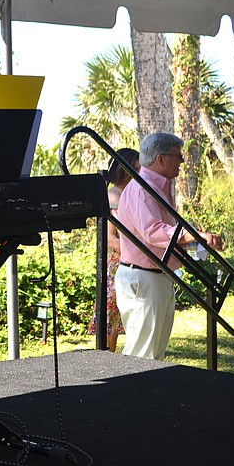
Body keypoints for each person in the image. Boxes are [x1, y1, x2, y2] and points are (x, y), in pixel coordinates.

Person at [114, 132, 223, 360]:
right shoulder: (142, 189)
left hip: (157, 275)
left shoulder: (156, 187)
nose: (182, 161)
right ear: (160, 159)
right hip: (144, 278)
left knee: (153, 353)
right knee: (141, 354)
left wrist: (195, 240)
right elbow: (153, 231)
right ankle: (131, 395)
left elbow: (163, 230)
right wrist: (195, 236)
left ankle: (146, 394)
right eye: (177, 156)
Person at [88, 148, 139, 352]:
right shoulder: (111, 196)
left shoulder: (134, 193)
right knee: (111, 314)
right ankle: (106, 356)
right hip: (118, 262)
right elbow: (108, 238)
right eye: (136, 167)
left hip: (136, 261)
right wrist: (134, 252)